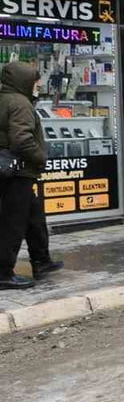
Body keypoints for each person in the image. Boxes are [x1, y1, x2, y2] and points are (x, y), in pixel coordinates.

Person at [0, 61, 61, 289]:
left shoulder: (6, 98)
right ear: (23, 80)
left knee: (34, 217)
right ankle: (4, 273)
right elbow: (22, 139)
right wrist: (41, 157)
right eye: (36, 80)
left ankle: (41, 260)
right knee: (12, 223)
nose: (39, 84)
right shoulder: (20, 103)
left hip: (11, 169)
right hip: (19, 172)